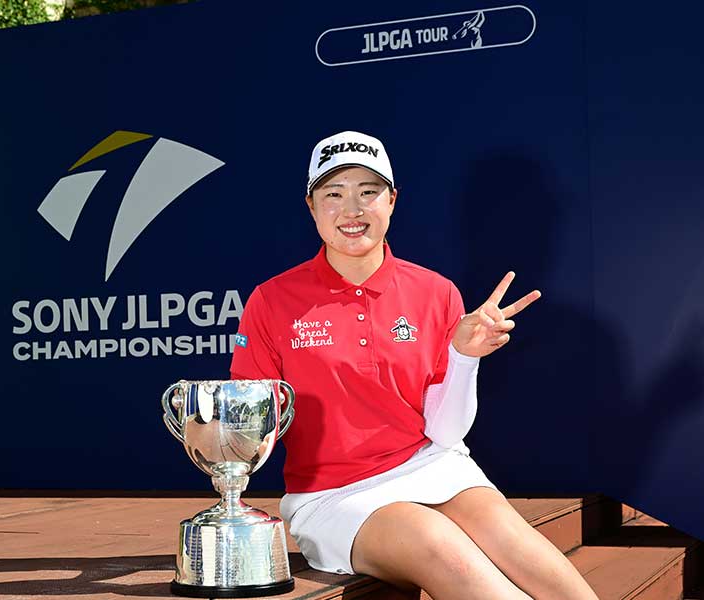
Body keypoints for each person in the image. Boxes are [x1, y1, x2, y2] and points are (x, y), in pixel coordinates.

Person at [229, 131, 599, 599]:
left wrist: (464, 358)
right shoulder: (272, 300)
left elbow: (445, 435)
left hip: (432, 464)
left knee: (516, 541)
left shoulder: (435, 291)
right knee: (440, 544)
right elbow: (246, 423)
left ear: (392, 200)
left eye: (368, 192)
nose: (352, 210)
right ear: (310, 205)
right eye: (334, 194)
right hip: (334, 495)